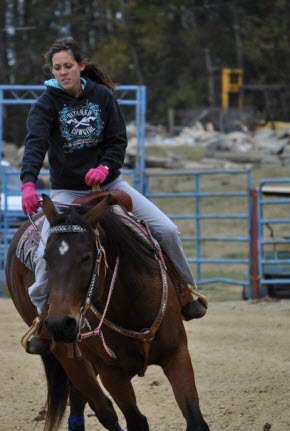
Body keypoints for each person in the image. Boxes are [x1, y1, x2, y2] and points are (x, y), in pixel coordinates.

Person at [20, 37, 207, 355]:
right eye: (57, 68)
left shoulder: (102, 97)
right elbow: (35, 143)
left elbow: (117, 140)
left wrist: (106, 168)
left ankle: (184, 291)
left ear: (81, 65)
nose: (63, 72)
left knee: (166, 229)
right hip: (66, 191)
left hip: (110, 184)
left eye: (68, 66)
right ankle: (43, 320)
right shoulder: (45, 104)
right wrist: (27, 182)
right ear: (52, 71)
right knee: (43, 256)